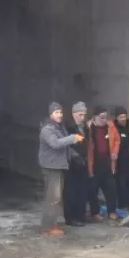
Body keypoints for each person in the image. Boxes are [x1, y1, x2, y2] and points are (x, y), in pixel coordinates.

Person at [39, 101, 83, 237]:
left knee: (57, 197)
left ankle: (53, 224)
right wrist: (73, 138)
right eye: (56, 112)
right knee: (53, 197)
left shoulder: (59, 127)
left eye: (61, 112)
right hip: (51, 167)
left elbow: (65, 147)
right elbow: (56, 144)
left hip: (59, 165)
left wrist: (76, 156)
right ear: (50, 114)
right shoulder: (47, 129)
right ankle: (47, 227)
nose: (59, 115)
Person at [86, 106, 118, 220]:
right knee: (93, 189)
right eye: (102, 117)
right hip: (94, 163)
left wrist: (115, 151)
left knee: (111, 187)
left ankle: (112, 211)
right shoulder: (88, 128)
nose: (104, 119)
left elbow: (117, 140)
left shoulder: (111, 126)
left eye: (106, 117)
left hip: (107, 163)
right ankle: (95, 213)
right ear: (95, 117)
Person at [63, 102, 90, 226]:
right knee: (71, 191)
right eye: (80, 115)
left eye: (84, 115)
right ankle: (71, 217)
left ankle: (80, 215)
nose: (82, 118)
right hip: (71, 164)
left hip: (83, 163)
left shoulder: (85, 127)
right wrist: (75, 156)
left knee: (82, 190)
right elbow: (65, 145)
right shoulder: (67, 127)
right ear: (74, 114)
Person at [112, 107, 129, 212]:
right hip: (119, 161)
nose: (123, 119)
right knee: (121, 183)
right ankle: (122, 204)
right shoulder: (113, 128)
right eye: (121, 117)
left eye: (124, 116)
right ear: (116, 118)